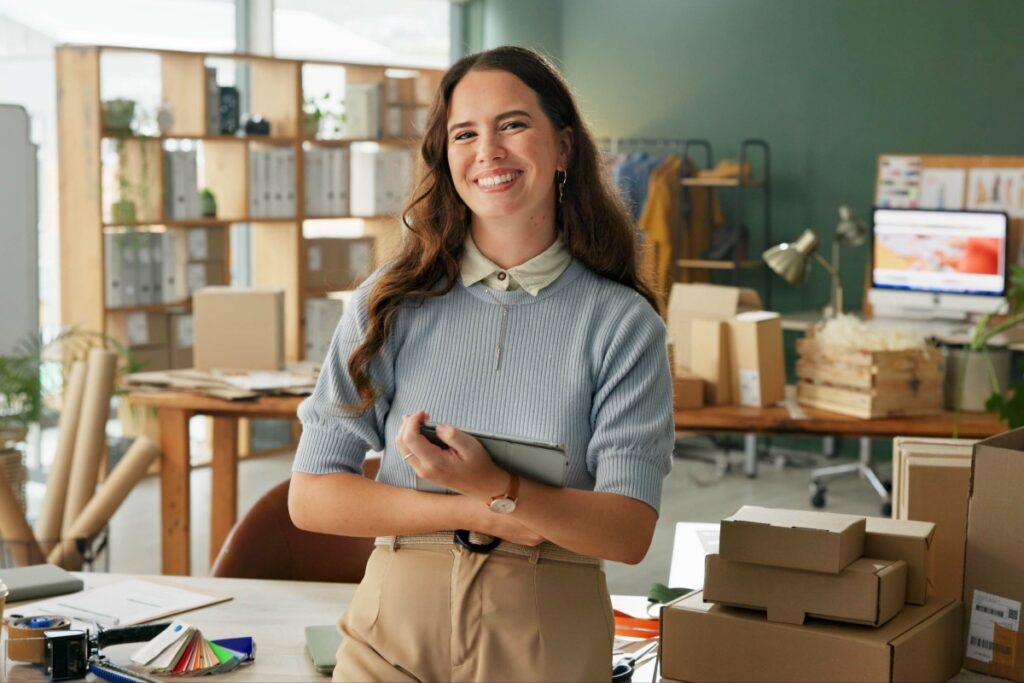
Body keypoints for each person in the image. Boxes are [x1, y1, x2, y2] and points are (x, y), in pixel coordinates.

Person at [289, 45, 674, 683]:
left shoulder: (623, 324)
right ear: (448, 157)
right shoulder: (388, 303)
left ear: (564, 149)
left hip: (545, 637)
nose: (487, 150)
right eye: (465, 133)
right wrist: (473, 504)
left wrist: (499, 486)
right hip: (390, 638)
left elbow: (627, 532)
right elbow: (313, 498)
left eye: (513, 125)